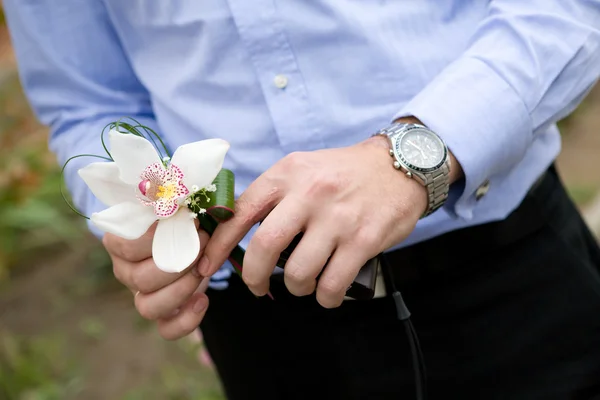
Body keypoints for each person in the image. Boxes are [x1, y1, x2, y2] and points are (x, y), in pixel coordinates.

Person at [4, 1, 600, 399]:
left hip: (510, 276)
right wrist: (148, 223)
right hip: (264, 326)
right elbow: (86, 102)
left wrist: (417, 154)